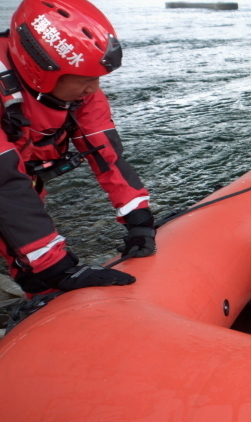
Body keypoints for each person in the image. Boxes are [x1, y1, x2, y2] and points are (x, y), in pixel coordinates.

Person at [0, 0, 156, 297]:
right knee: (36, 256)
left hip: (22, 175)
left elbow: (106, 152)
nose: (95, 89)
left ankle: (41, 294)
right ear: (40, 71)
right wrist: (55, 267)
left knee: (33, 254)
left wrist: (139, 218)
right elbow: (5, 187)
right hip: (9, 178)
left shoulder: (78, 94)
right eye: (87, 79)